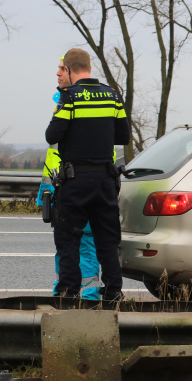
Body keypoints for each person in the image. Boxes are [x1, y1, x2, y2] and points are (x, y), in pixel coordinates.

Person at [45, 48, 130, 300]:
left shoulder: (69, 97)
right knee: (107, 240)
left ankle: (68, 293)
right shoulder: (112, 95)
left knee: (68, 237)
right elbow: (123, 136)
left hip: (76, 181)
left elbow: (52, 135)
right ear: (90, 68)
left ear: (68, 70)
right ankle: (113, 292)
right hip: (105, 181)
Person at [37, 56, 102, 300]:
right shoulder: (63, 101)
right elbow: (53, 152)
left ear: (71, 70)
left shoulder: (81, 103)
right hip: (60, 187)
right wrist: (47, 189)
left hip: (78, 185)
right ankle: (63, 293)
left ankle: (89, 297)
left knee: (85, 244)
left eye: (61, 69)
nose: (57, 73)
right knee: (64, 246)